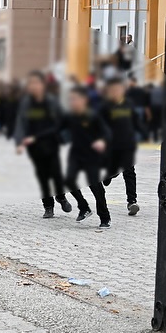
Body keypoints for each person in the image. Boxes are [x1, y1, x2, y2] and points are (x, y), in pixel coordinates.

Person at [14, 72, 72, 218]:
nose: (34, 86)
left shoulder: (51, 101)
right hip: (34, 147)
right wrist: (19, 142)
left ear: (43, 85)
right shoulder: (27, 103)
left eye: (36, 83)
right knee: (42, 176)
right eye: (31, 83)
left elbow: (61, 120)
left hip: (51, 143)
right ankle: (48, 206)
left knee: (57, 174)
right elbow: (21, 123)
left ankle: (61, 197)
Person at [61, 87, 112, 228]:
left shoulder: (93, 116)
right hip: (76, 154)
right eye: (70, 100)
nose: (72, 102)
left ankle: (105, 217)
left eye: (75, 99)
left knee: (95, 186)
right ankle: (84, 207)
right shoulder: (69, 116)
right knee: (69, 180)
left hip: (91, 156)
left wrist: (102, 141)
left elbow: (106, 133)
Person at [100, 78, 141, 216]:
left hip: (127, 144)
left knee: (129, 171)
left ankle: (132, 201)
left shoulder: (129, 104)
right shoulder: (106, 106)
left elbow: (135, 120)